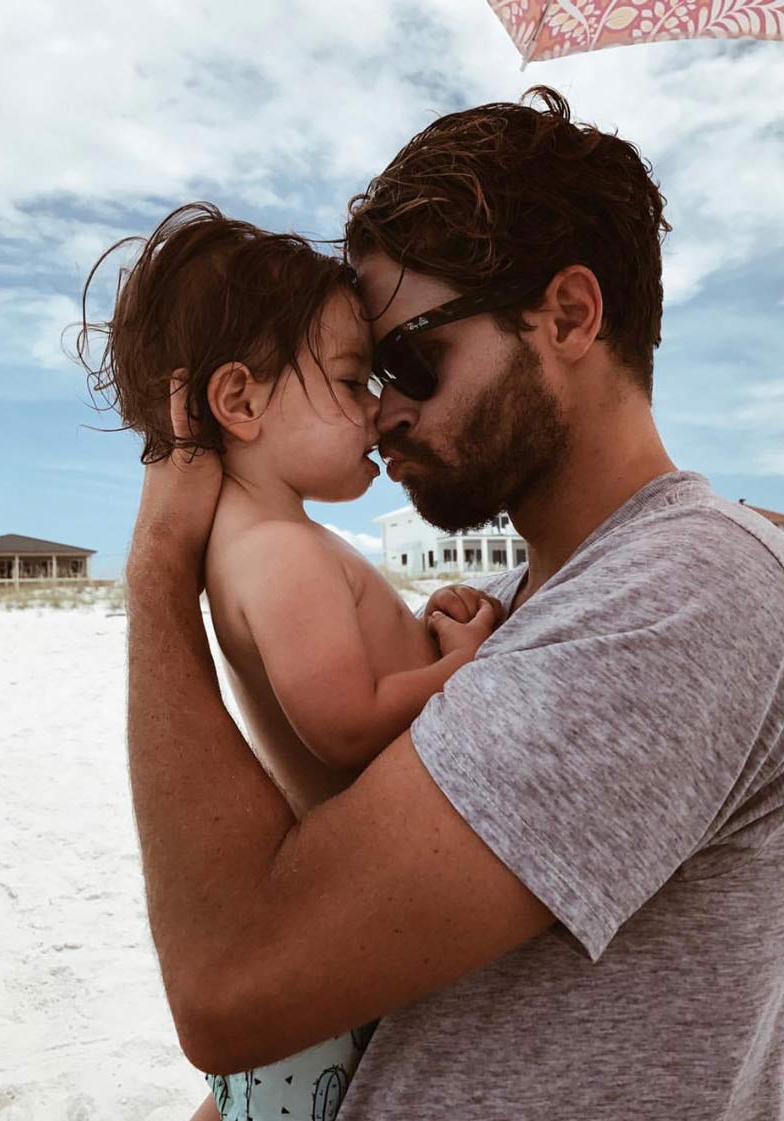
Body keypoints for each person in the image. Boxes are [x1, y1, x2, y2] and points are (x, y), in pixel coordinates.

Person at [124, 88, 784, 1120]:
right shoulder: (511, 607)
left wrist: (159, 564)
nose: (384, 407)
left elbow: (232, 985)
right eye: (367, 371)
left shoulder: (685, 595)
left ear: (568, 315)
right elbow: (368, 969)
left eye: (412, 356)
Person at [78, 204, 502, 1120]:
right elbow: (347, 722)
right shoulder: (280, 550)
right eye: (352, 381)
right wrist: (459, 667)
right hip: (327, 976)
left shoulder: (263, 542)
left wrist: (425, 628)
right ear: (239, 402)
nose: (375, 410)